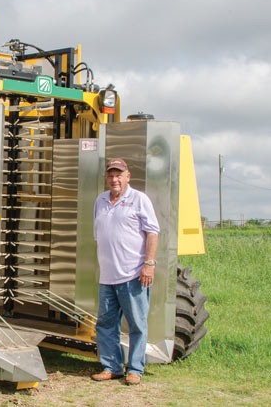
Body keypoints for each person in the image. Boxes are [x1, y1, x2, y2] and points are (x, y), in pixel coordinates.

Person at [90, 158, 160, 386]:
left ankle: (135, 369)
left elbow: (152, 233)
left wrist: (148, 264)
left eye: (119, 174)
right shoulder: (100, 200)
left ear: (127, 176)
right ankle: (112, 367)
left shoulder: (139, 199)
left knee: (136, 324)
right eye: (111, 175)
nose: (114, 179)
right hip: (107, 277)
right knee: (106, 324)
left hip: (133, 275)